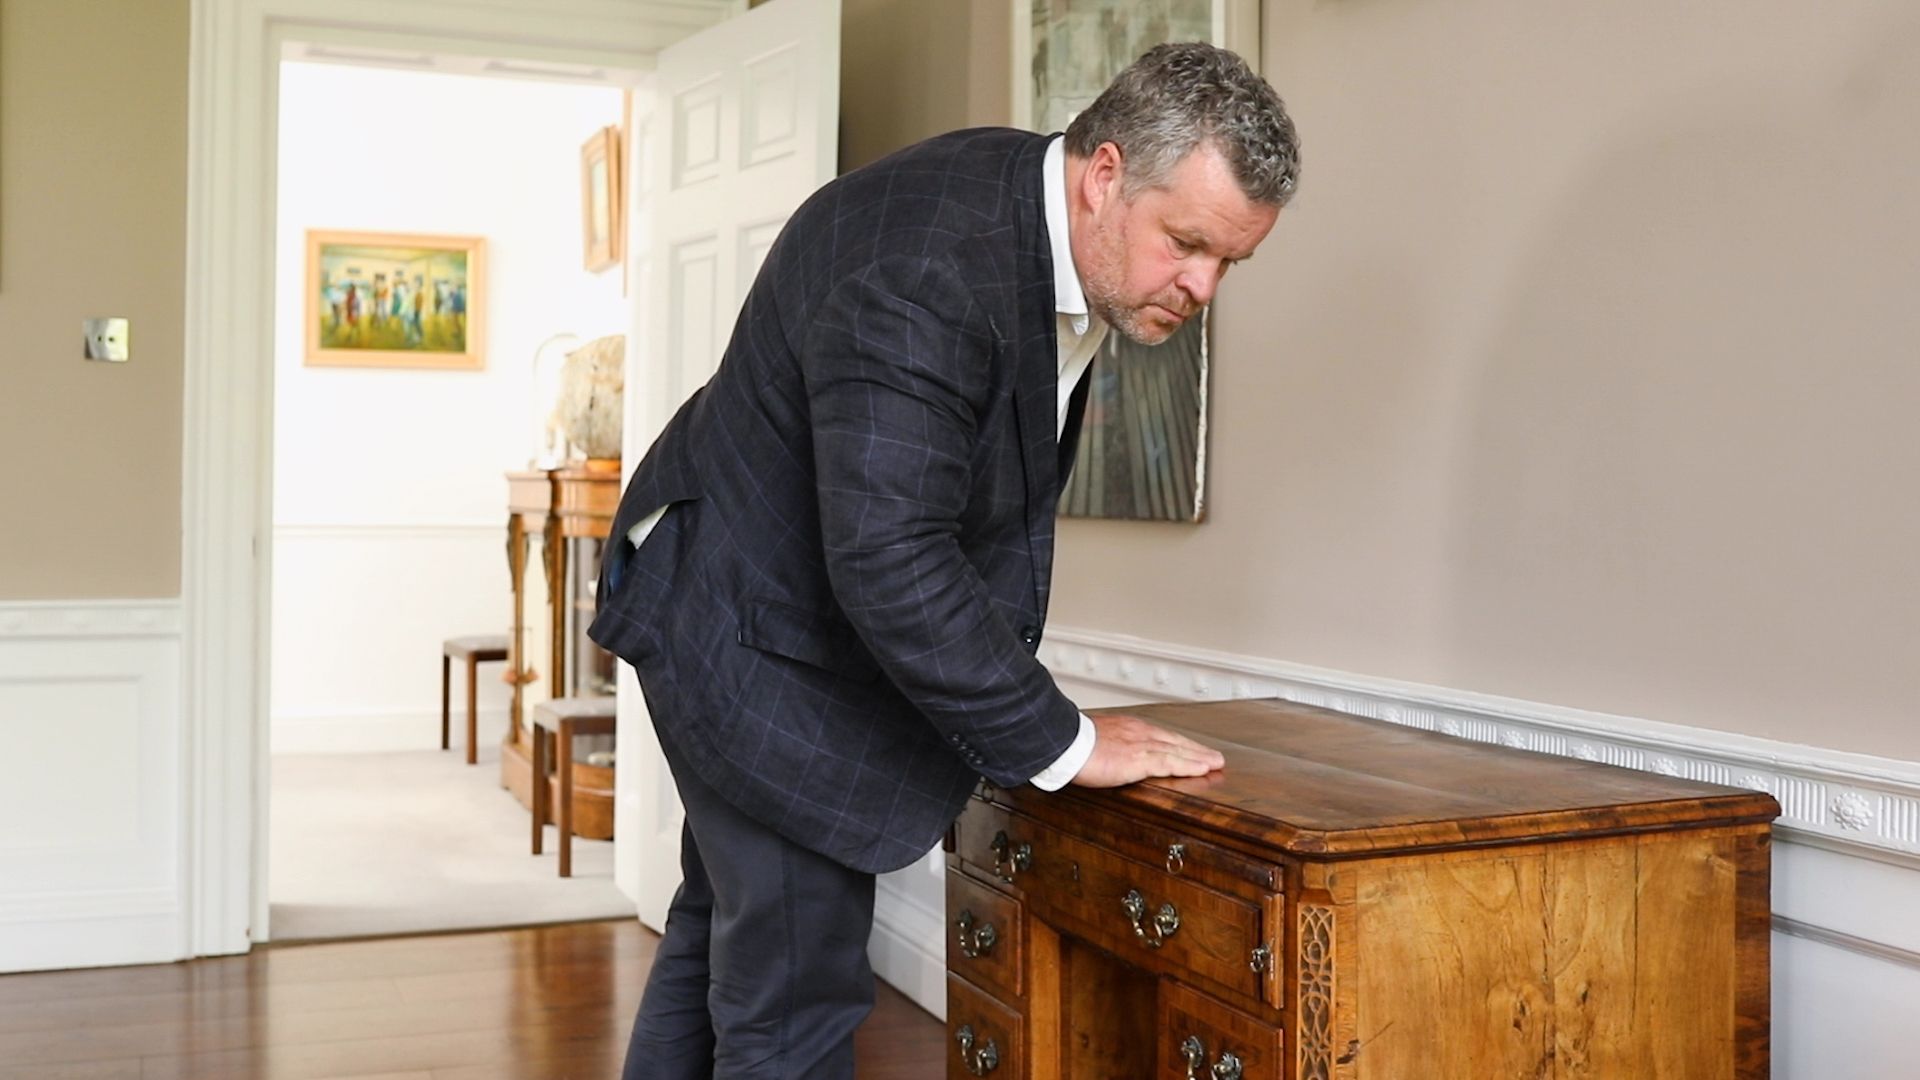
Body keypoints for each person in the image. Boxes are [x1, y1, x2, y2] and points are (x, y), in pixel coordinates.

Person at [587, 41, 1300, 1080]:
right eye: (1188, 242)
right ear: (1104, 176)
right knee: (792, 1007)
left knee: (724, 945)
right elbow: (889, 556)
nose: (1204, 285)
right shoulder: (930, 269)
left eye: (1231, 259)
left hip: (747, 596)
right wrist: (1064, 738)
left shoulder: (1043, 222)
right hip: (749, 636)